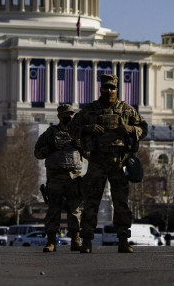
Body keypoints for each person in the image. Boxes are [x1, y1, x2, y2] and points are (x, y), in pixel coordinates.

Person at [70, 74, 147, 253]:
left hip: (119, 162)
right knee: (91, 202)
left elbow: (143, 129)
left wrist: (128, 129)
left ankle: (123, 240)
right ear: (100, 88)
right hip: (97, 161)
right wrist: (87, 129)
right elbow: (72, 129)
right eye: (106, 87)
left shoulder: (127, 110)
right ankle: (87, 240)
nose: (109, 91)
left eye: (112, 88)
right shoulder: (89, 111)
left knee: (121, 203)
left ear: (117, 89)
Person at [34, 104, 83, 252]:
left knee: (75, 210)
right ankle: (51, 241)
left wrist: (80, 144)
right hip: (55, 177)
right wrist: (50, 148)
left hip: (74, 176)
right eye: (66, 115)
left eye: (71, 114)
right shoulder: (50, 133)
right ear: (60, 116)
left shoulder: (78, 133)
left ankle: (75, 239)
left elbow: (90, 152)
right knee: (53, 210)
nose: (69, 117)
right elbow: (37, 153)